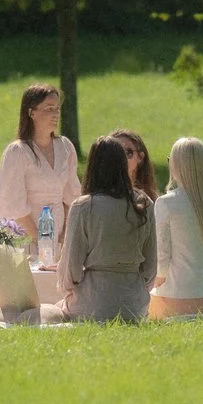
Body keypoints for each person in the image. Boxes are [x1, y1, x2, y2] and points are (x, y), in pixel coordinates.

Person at [62, 135, 159, 322]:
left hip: (93, 302)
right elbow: (150, 268)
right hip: (134, 304)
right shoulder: (144, 204)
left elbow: (71, 270)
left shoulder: (83, 207)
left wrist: (71, 291)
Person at [0, 84, 82, 264]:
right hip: (27, 242)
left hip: (60, 242)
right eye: (49, 109)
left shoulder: (65, 147)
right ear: (31, 112)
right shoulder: (18, 152)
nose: (55, 114)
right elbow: (13, 206)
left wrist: (64, 238)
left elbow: (72, 199)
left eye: (57, 109)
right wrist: (40, 241)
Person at [152, 137, 203, 318]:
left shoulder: (167, 203)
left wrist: (156, 281)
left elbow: (162, 260)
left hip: (181, 296)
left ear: (175, 165)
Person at [109, 129, 159, 202]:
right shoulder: (94, 200)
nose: (121, 157)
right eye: (114, 153)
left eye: (128, 152)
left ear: (140, 157)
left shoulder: (153, 201)